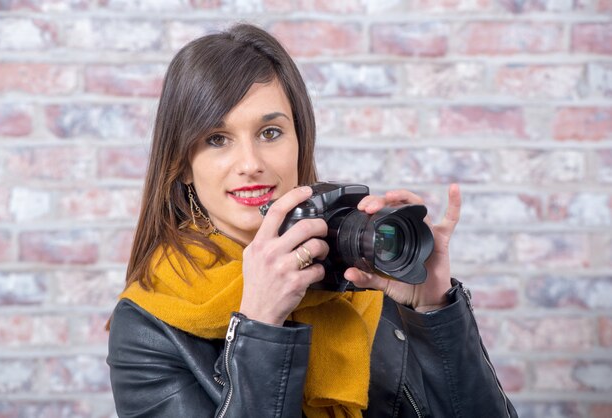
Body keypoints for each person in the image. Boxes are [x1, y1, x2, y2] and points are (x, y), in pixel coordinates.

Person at [106, 23, 518, 418]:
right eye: (217, 139)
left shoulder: (362, 274)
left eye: (270, 133)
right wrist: (260, 325)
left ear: (300, 140)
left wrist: (434, 310)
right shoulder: (147, 326)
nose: (251, 164)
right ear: (181, 164)